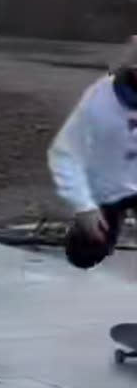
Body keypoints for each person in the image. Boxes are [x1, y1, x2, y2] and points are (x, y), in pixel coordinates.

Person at [48, 37, 137, 269]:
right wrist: (84, 206)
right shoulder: (99, 100)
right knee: (84, 252)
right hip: (107, 188)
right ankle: (90, 232)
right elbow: (64, 153)